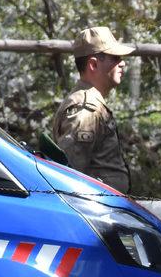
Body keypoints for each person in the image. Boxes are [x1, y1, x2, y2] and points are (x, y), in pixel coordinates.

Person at [52, 26, 134, 193]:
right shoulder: (86, 109)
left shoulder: (91, 101)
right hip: (95, 210)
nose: (122, 63)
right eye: (115, 58)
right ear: (93, 65)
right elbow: (69, 172)